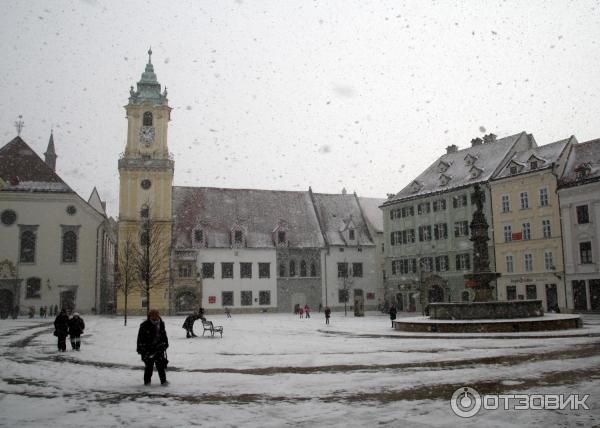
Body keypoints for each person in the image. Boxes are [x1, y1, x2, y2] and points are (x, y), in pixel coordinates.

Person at [137, 309, 169, 386]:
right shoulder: (144, 325)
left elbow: (164, 335)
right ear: (150, 316)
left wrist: (165, 344)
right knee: (149, 367)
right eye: (153, 315)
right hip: (148, 349)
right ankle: (147, 382)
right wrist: (141, 349)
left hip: (159, 348)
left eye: (157, 314)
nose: (155, 316)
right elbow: (140, 338)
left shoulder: (161, 323)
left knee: (160, 366)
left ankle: (163, 381)